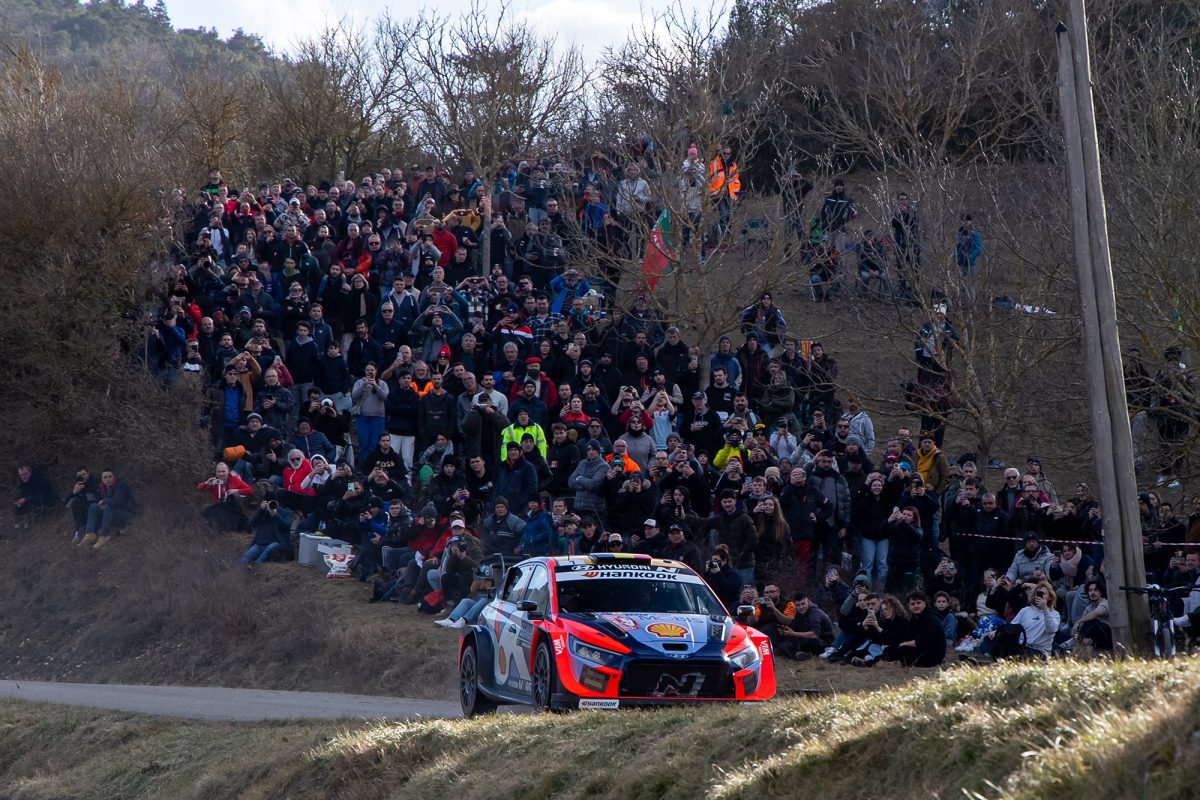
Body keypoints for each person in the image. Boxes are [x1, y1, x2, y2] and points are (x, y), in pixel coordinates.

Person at [78, 469, 137, 549]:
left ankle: (103, 535)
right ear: (102, 480)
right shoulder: (104, 489)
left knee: (108, 506)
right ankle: (90, 534)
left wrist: (104, 501)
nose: (108, 479)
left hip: (126, 514)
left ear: (114, 477)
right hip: (112, 514)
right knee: (93, 506)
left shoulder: (120, 486)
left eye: (110, 476)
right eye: (105, 477)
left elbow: (117, 502)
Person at [889, 591, 946, 667]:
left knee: (902, 650)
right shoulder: (914, 618)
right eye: (913, 604)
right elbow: (908, 636)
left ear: (924, 604)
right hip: (920, 650)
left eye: (918, 603)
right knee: (890, 649)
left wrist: (903, 644)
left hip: (932, 653)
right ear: (909, 606)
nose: (916, 606)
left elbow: (922, 641)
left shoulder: (931, 619)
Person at [196, 461, 253, 532]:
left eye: (223, 471)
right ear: (216, 472)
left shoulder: (234, 479)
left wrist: (236, 491)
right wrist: (206, 483)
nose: (221, 474)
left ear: (228, 471)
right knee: (205, 509)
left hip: (232, 508)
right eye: (218, 472)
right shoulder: (213, 481)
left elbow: (250, 490)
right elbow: (199, 488)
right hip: (218, 508)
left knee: (235, 496)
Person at [777, 593, 834, 660]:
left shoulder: (815, 613)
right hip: (806, 638)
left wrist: (793, 633)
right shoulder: (798, 614)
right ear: (794, 605)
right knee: (782, 644)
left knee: (806, 642)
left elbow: (814, 634)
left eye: (803, 604)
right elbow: (795, 629)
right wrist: (785, 632)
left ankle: (800, 655)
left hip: (823, 642)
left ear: (808, 602)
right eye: (798, 605)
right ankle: (800, 655)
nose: (801, 607)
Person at [240, 500, 293, 564]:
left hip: (276, 543)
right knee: (244, 559)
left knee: (262, 557)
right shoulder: (263, 512)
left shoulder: (286, 513)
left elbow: (286, 525)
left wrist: (275, 515)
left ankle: (256, 565)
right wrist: (260, 509)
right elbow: (251, 523)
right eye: (269, 502)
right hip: (260, 543)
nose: (271, 504)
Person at [13, 464, 56, 531]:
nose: (23, 477)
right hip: (33, 505)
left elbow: (44, 496)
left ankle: (28, 524)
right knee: (19, 505)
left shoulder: (40, 480)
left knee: (29, 503)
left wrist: (26, 499)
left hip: (48, 505)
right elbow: (23, 494)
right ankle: (19, 524)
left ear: (30, 472)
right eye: (21, 475)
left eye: (25, 474)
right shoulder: (23, 483)